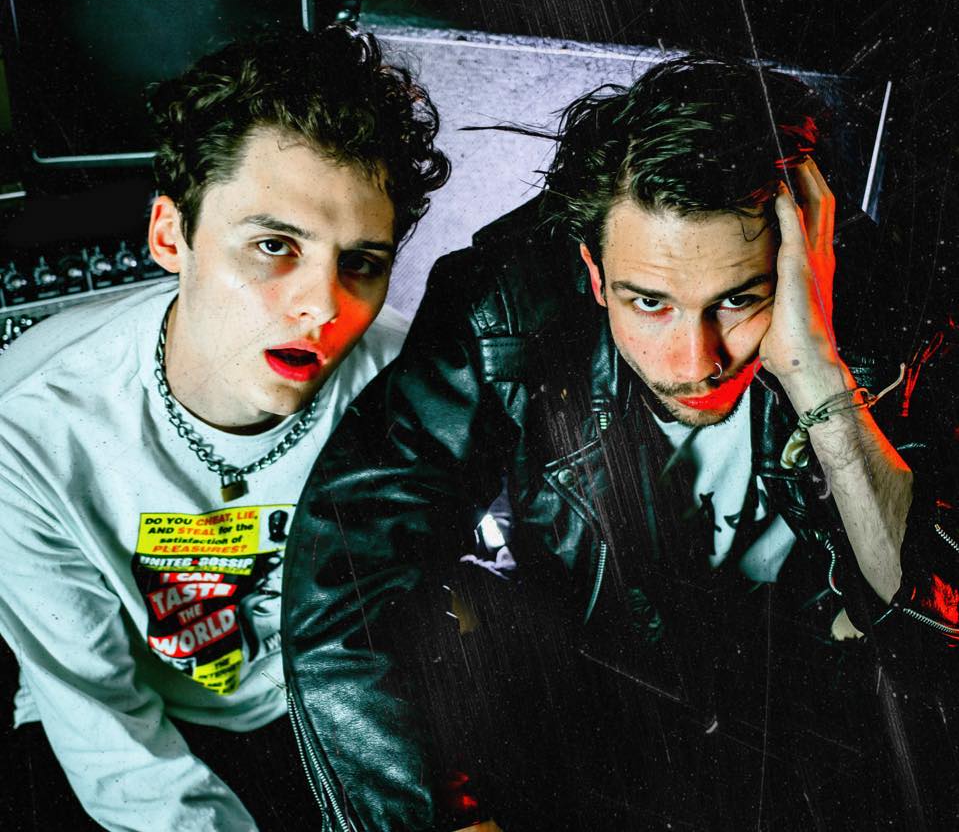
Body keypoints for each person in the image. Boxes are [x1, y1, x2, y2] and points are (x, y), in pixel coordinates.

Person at [283, 57, 959, 831]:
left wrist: (818, 373)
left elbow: (930, 636)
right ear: (594, 273)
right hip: (598, 713)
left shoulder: (898, 317)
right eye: (649, 302)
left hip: (818, 732)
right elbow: (344, 574)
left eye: (738, 299)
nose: (695, 360)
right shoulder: (505, 305)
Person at [0, 25, 450, 831]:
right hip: (136, 715)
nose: (322, 307)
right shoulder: (28, 427)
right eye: (274, 245)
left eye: (360, 263)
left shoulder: (409, 382)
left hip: (319, 698)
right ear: (170, 236)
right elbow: (109, 730)